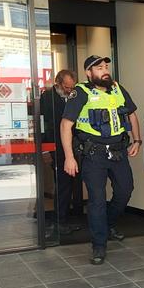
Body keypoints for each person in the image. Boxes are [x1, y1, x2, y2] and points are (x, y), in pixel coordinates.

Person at [60, 55, 141, 265]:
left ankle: (108, 224)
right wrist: (69, 157)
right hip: (94, 154)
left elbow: (132, 114)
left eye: (106, 66)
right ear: (89, 73)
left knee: (125, 190)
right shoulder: (81, 92)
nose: (104, 70)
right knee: (97, 200)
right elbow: (66, 125)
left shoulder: (117, 88)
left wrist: (137, 140)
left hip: (118, 152)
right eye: (98, 68)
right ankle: (99, 245)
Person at [41, 70, 83, 236]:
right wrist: (45, 149)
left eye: (72, 87)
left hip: (74, 147)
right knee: (63, 184)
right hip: (56, 146)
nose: (69, 90)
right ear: (58, 83)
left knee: (70, 184)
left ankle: (63, 219)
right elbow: (42, 124)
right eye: (66, 87)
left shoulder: (75, 95)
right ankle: (59, 222)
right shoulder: (46, 98)